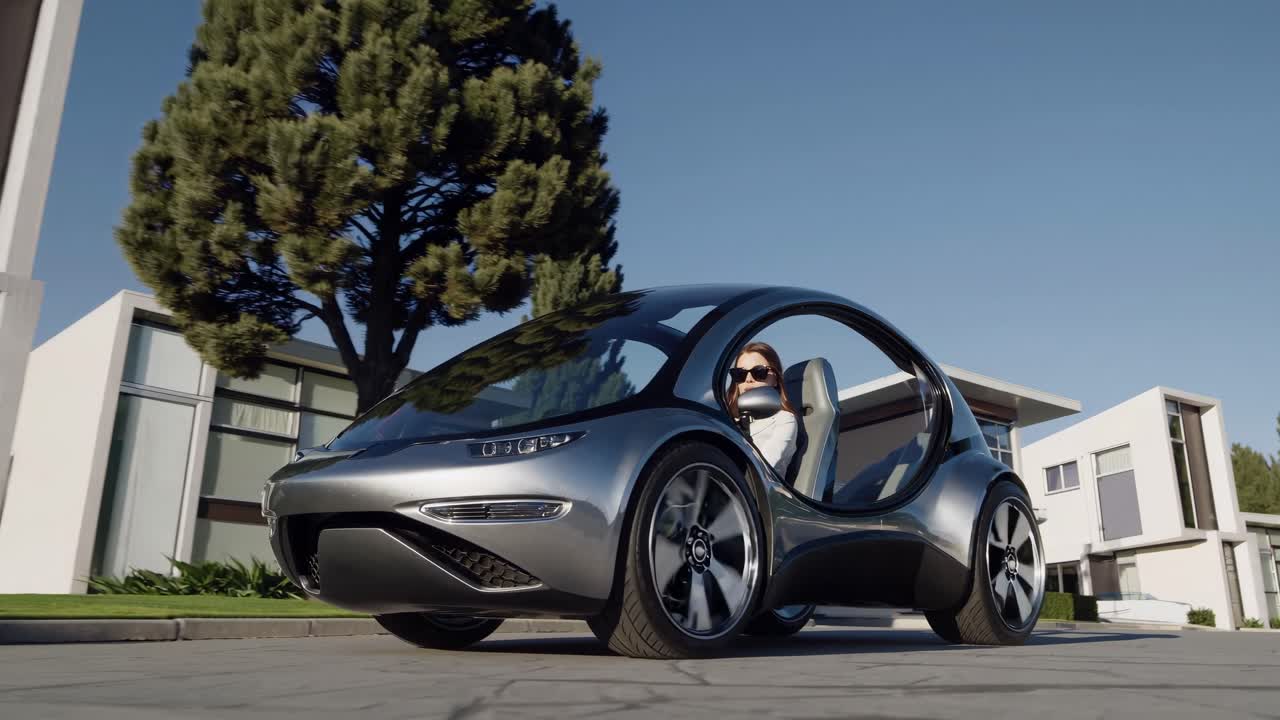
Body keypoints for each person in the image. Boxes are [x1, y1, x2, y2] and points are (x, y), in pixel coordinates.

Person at [726, 342, 799, 477]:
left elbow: (762, 469)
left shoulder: (784, 420)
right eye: (740, 374)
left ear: (775, 378)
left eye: (758, 372)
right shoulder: (725, 419)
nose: (748, 379)